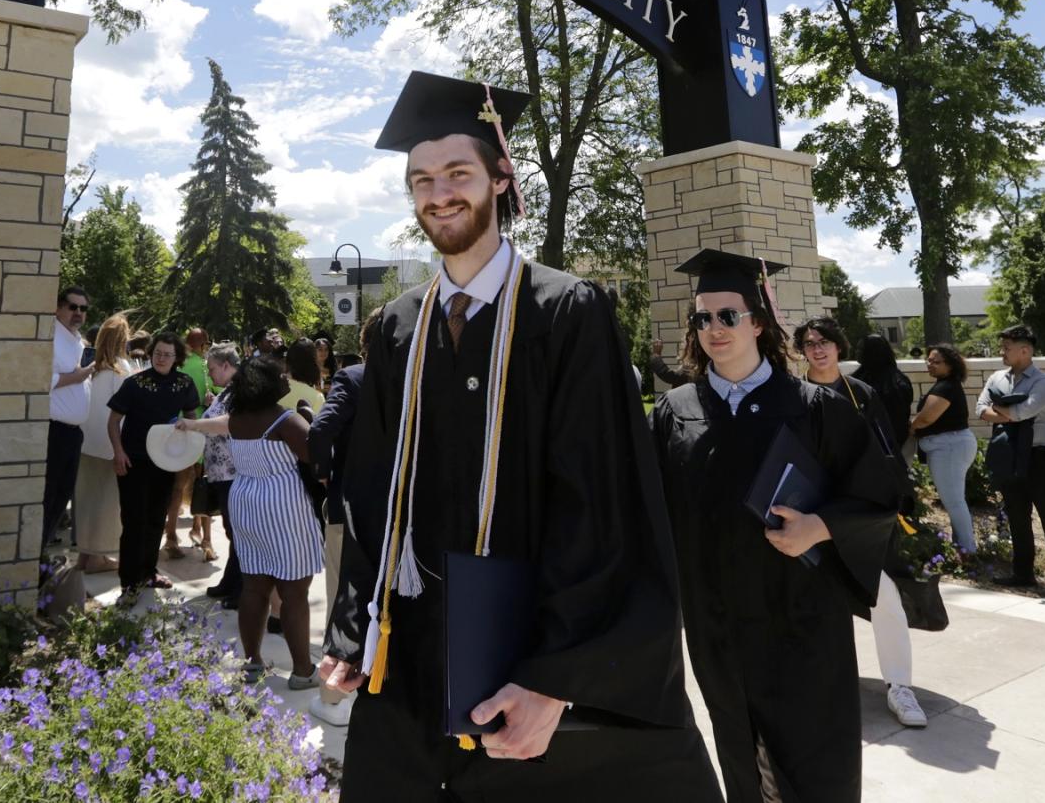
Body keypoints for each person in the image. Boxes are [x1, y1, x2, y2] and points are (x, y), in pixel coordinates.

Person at [320, 71, 717, 801]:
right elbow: (370, 489)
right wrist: (354, 629)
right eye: (421, 179)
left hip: (526, 656)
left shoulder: (568, 313)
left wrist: (555, 679)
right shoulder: (400, 328)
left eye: (458, 173)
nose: (439, 193)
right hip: (410, 661)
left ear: (501, 177)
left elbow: (602, 503)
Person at [655, 252, 897, 802]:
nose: (713, 328)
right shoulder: (675, 412)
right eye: (702, 318)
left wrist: (822, 526)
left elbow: (881, 495)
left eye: (728, 316)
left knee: (815, 758)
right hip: (716, 624)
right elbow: (649, 512)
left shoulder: (815, 408)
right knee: (739, 752)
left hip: (803, 618)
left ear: (759, 321)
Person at [795, 317, 926, 730]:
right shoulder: (793, 396)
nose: (818, 349)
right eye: (810, 343)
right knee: (811, 601)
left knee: (884, 595)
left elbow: (886, 451)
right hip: (810, 512)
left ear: (839, 346)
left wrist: (898, 499)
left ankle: (900, 686)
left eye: (825, 341)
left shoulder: (862, 394)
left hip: (857, 511)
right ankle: (816, 686)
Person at [188, 356, 325, 683]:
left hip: (246, 502)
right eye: (280, 376)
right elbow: (319, 457)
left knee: (254, 587)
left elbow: (219, 426)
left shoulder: (237, 419)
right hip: (284, 508)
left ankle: (252, 663)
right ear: (265, 384)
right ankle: (303, 670)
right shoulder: (285, 421)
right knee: (294, 593)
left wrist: (190, 425)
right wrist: (311, 418)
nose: (286, 380)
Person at [305, 308, 381, 727]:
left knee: (343, 599)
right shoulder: (415, 379)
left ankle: (333, 699)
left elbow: (320, 431)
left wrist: (323, 473)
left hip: (349, 508)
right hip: (398, 513)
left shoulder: (354, 378)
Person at [106, 333, 200, 606]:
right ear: (150, 353)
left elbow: (192, 419)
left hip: (166, 463)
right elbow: (113, 422)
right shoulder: (134, 383)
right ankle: (129, 584)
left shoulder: (184, 383)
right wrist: (118, 452)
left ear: (177, 357)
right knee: (134, 523)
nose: (162, 358)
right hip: (134, 461)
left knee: (156, 520)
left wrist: (190, 453)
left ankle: (149, 573)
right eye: (158, 352)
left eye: (168, 354)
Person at [976, 326, 1045, 597]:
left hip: (1038, 456)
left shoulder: (1043, 383)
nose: (1001, 352)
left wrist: (1002, 411)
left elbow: (1023, 412)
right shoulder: (996, 378)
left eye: (1007, 347)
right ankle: (1023, 573)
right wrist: (1005, 414)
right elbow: (981, 409)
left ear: (1025, 350)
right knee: (1017, 516)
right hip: (1008, 455)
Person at [76, 313, 133, 575]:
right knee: (107, 505)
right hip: (111, 446)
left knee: (87, 501)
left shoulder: (93, 367)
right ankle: (98, 558)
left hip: (86, 443)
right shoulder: (121, 369)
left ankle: (85, 556)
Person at [908, 343, 977, 555]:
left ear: (951, 365)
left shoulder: (946, 387)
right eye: (929, 360)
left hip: (948, 447)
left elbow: (928, 417)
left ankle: (967, 551)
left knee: (953, 501)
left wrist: (910, 428)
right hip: (951, 446)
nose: (930, 364)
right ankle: (962, 546)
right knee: (955, 499)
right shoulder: (945, 384)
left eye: (936, 362)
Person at [44, 286, 93, 552]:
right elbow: (39, 380)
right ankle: (34, 557)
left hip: (73, 432)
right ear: (58, 307)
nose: (78, 313)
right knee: (49, 497)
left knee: (61, 498)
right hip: (54, 431)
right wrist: (76, 378)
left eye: (83, 309)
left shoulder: (77, 340)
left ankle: (39, 559)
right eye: (72, 307)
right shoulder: (49, 336)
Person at [166, 327, 217, 560]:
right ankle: (206, 540)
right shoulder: (205, 366)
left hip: (175, 430)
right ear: (203, 345)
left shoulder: (176, 365)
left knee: (178, 487)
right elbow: (215, 391)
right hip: (198, 429)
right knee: (203, 482)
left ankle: (171, 536)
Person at [200, 343, 244, 606]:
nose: (210, 374)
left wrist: (194, 424)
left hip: (232, 474)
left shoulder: (240, 391)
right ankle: (231, 581)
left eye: (213, 368)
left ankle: (240, 590)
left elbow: (229, 424)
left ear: (226, 365)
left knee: (237, 533)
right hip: (222, 474)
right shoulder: (229, 390)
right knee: (232, 531)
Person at [852, 334, 915, 458]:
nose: (856, 352)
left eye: (860, 349)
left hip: (889, 448)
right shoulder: (859, 377)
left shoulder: (895, 383)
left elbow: (896, 421)